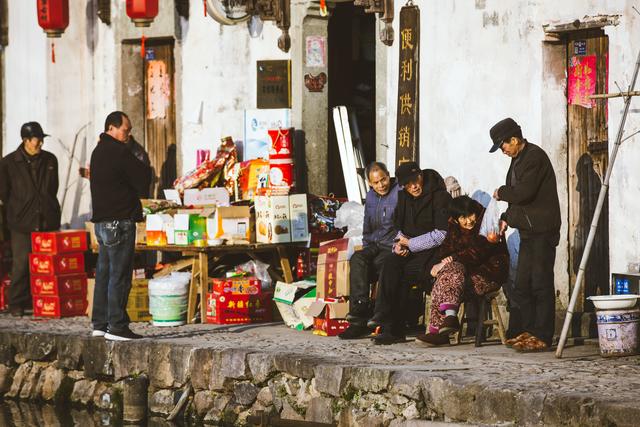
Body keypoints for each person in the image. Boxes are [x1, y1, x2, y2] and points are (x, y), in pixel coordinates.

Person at [490, 117, 561, 352]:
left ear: (514, 139)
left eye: (503, 146)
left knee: (540, 282)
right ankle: (527, 330)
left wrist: (501, 192)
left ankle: (543, 335)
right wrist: (505, 219)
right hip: (528, 230)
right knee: (521, 284)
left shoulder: (535, 157)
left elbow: (523, 193)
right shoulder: (518, 159)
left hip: (542, 229)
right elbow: (517, 202)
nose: (503, 151)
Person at [371, 162, 452, 345]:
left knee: (403, 274)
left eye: (415, 181)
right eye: (408, 184)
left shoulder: (440, 197)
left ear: (421, 176)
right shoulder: (404, 198)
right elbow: (399, 229)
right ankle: (383, 317)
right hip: (411, 250)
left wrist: (411, 244)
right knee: (390, 263)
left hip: (433, 253)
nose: (413, 187)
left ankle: (395, 327)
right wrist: (399, 244)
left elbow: (441, 235)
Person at [415, 196, 509, 346]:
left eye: (470, 215)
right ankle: (448, 320)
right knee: (446, 275)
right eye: (463, 218)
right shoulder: (453, 227)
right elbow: (444, 251)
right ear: (456, 219)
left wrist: (451, 259)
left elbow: (477, 252)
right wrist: (446, 261)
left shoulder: (487, 222)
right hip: (461, 277)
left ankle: (438, 330)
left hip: (488, 275)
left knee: (449, 272)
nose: (468, 220)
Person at [90, 111, 151, 341]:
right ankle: (117, 326)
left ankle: (100, 323)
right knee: (120, 275)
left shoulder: (98, 151)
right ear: (112, 128)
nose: (128, 134)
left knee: (104, 274)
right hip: (119, 222)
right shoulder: (118, 151)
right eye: (126, 129)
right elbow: (143, 175)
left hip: (102, 223)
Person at [0, 122, 61, 316]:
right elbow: (4, 193)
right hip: (21, 222)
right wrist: (19, 208)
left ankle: (42, 300)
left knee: (47, 265)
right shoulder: (8, 163)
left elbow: (53, 188)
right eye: (37, 139)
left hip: (46, 219)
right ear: (26, 141)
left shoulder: (50, 160)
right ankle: (16, 303)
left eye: (42, 139)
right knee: (22, 263)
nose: (41, 143)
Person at [338, 162, 399, 340]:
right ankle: (358, 314)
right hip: (374, 245)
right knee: (357, 259)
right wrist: (366, 246)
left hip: (391, 246)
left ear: (389, 175)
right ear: (370, 184)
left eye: (384, 179)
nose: (381, 185)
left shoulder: (398, 192)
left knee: (382, 265)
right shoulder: (371, 196)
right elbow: (367, 224)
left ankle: (378, 317)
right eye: (376, 182)